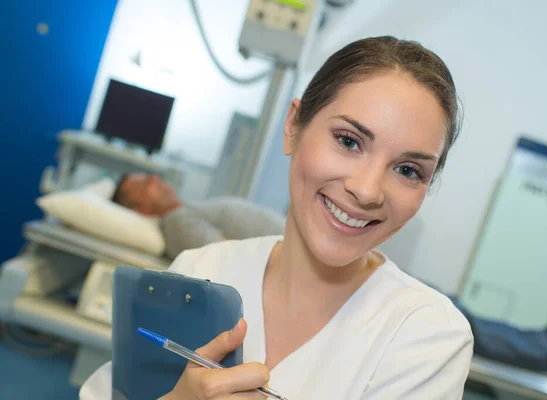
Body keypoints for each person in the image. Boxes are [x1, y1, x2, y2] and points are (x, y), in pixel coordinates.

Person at [81, 36, 474, 399]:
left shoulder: (428, 335)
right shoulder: (202, 269)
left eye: (408, 170)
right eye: (349, 141)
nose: (368, 190)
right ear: (293, 127)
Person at [116, 176, 547, 376]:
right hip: (310, 257)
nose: (157, 180)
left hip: (340, 254)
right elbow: (223, 259)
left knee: (455, 308)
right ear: (136, 206)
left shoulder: (195, 200)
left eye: (408, 169)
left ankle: (542, 340)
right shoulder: (180, 225)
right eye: (143, 183)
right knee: (464, 320)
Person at [111, 173, 286, 259]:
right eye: (143, 185)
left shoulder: (184, 212)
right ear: (141, 211)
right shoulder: (177, 223)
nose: (155, 179)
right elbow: (229, 258)